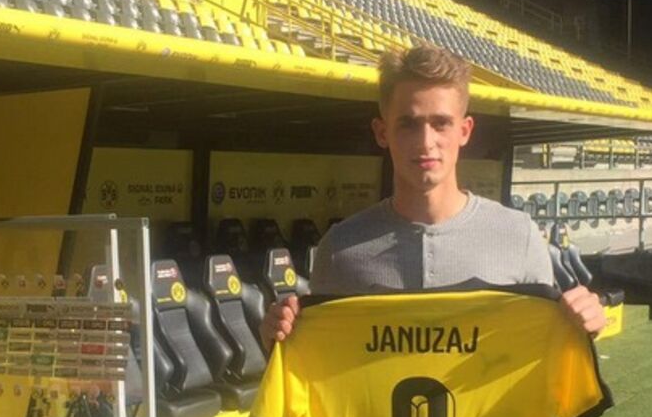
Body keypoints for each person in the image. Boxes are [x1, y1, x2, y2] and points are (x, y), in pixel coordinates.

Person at [259, 44, 605, 349]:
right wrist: (280, 339)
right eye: (408, 124)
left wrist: (582, 325)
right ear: (382, 132)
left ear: (464, 131)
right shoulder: (341, 249)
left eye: (441, 123)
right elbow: (323, 366)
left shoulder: (519, 237)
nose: (426, 142)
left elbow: (541, 352)